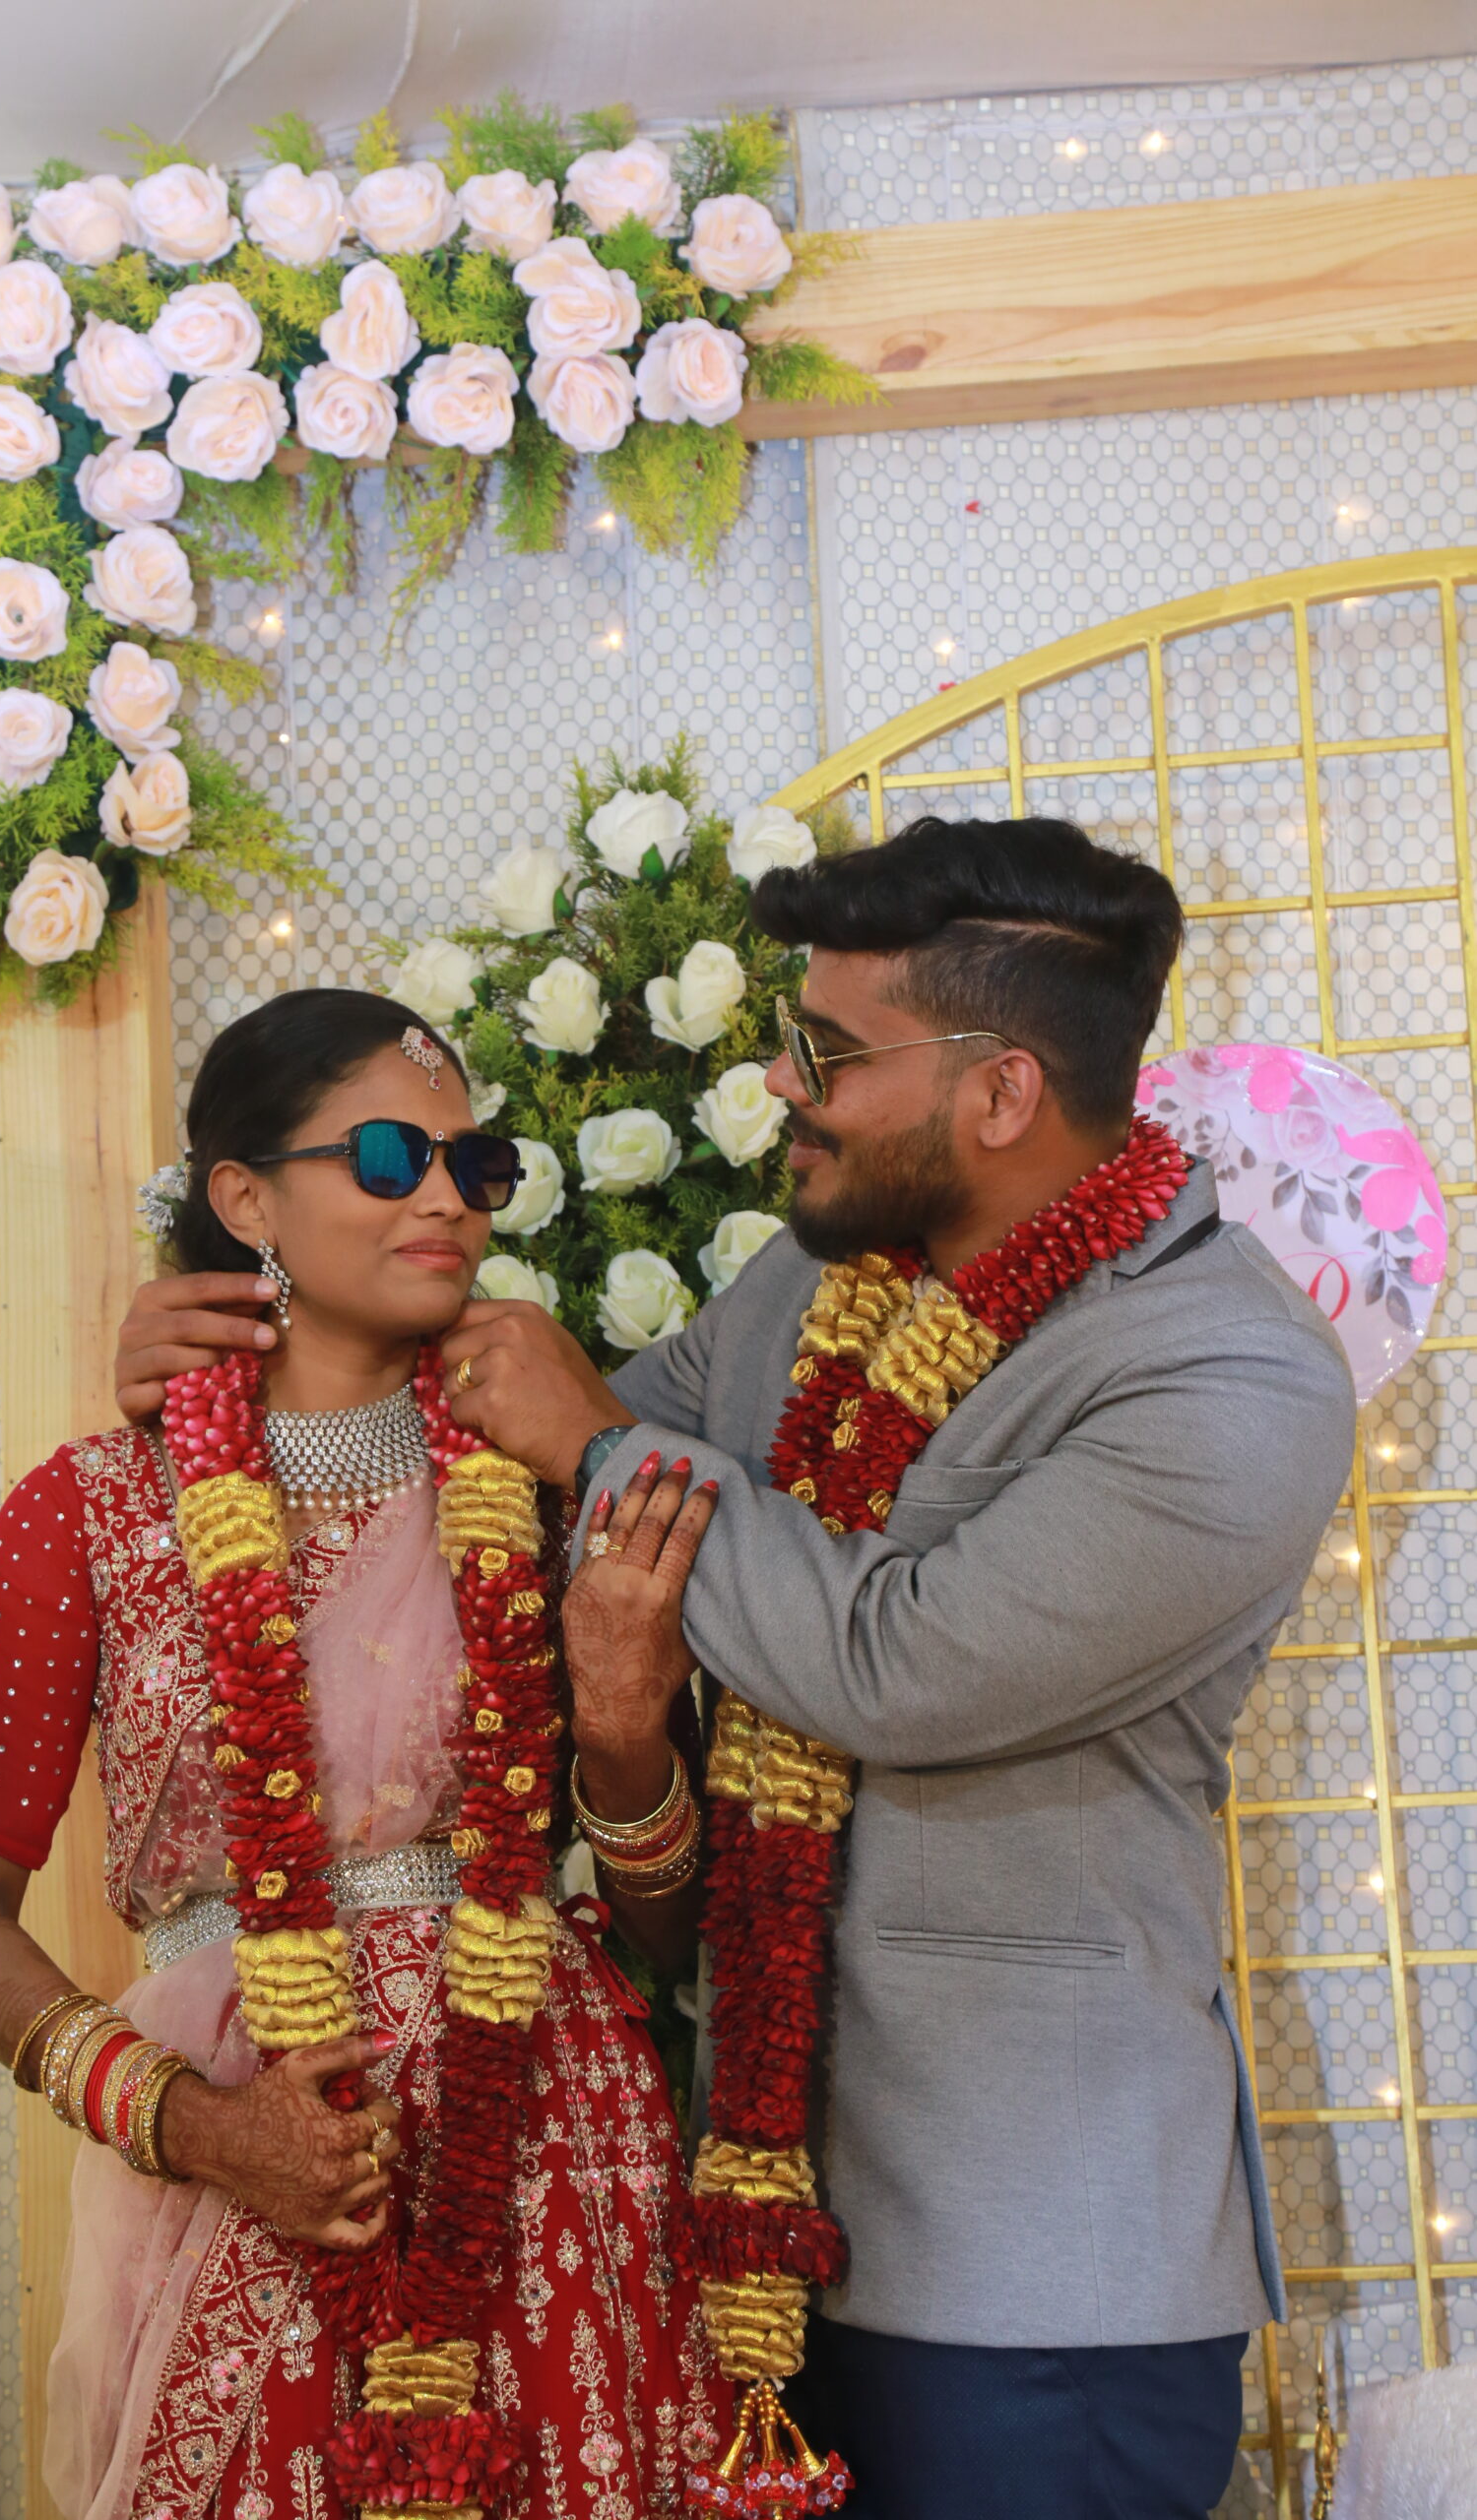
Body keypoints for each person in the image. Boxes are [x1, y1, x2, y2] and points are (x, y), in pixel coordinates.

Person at [118, 817, 1360, 2520]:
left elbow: (893, 1660)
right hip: (736, 2230)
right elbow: (503, 1489)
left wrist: (599, 1448)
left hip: (1034, 2274)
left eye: (830, 1054)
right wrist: (238, 1365)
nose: (781, 1084)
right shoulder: (814, 1278)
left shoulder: (1226, 1372)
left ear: (1001, 1093)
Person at [0, 989, 731, 2520]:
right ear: (245, 1198)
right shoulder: (87, 1510)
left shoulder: (549, 1483)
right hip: (251, 2141)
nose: (446, 1197)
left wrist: (625, 1736)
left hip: (545, 2146)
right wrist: (203, 2127)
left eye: (476, 1165)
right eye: (391, 1155)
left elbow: (674, 1930)